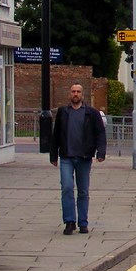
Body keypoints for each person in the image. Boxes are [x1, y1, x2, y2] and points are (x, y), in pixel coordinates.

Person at [50, 84, 106, 235]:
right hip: (66, 157)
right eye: (73, 91)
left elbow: (100, 133)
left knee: (83, 191)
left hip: (84, 157)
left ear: (82, 94)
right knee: (67, 188)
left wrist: (101, 153)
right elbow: (56, 135)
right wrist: (53, 155)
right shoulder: (63, 112)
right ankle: (69, 221)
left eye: (78, 92)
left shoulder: (91, 113)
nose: (75, 94)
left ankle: (83, 222)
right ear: (70, 94)